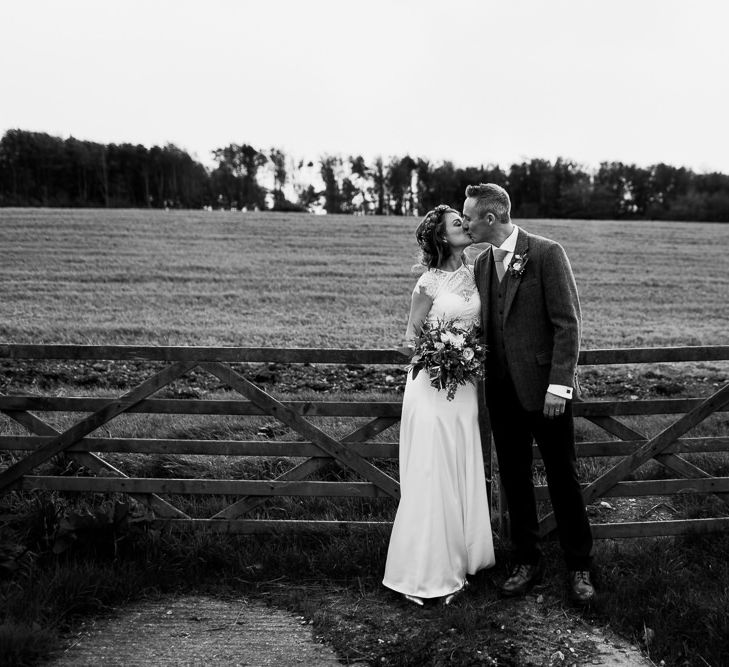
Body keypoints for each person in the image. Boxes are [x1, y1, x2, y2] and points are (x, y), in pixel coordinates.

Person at [461, 183, 595, 604]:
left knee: (563, 478)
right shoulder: (481, 264)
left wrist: (559, 385)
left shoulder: (546, 253)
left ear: (490, 217)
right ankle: (527, 561)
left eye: (468, 217)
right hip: (501, 395)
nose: (464, 223)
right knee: (515, 479)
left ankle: (580, 567)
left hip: (546, 393)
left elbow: (567, 323)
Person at [383, 204, 495, 606]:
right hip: (431, 386)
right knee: (432, 470)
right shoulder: (427, 284)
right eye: (456, 224)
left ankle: (463, 558)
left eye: (464, 222)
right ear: (442, 237)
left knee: (459, 464)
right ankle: (425, 571)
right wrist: (439, 354)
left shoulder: (479, 271)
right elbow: (410, 340)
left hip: (464, 389)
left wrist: (466, 354)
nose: (465, 226)